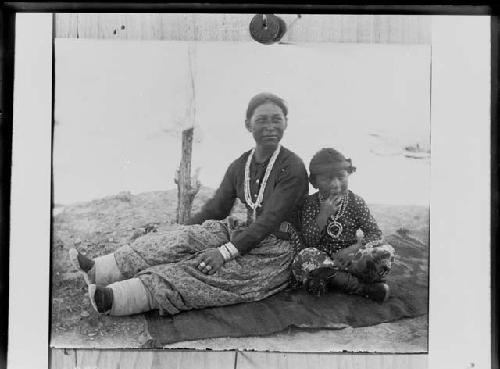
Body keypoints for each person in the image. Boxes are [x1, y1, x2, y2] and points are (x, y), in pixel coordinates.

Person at [70, 92, 309, 316]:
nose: (270, 127)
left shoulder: (293, 168)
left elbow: (269, 220)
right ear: (248, 124)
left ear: (286, 123)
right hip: (244, 231)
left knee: (211, 270)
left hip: (277, 250)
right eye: (262, 120)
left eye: (277, 120)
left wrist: (223, 253)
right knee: (185, 238)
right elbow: (217, 208)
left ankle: (116, 299)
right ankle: (99, 270)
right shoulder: (241, 165)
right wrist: (181, 231)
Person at [291, 147, 395, 302]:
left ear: (349, 174)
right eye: (326, 179)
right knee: (304, 257)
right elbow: (308, 241)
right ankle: (362, 288)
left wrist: (353, 249)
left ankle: (332, 280)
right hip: (323, 260)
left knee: (384, 252)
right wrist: (323, 214)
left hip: (351, 258)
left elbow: (375, 233)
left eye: (341, 177)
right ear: (314, 182)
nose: (335, 185)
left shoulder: (355, 202)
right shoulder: (310, 204)